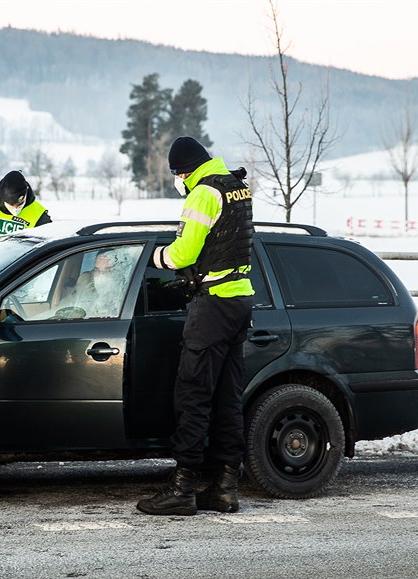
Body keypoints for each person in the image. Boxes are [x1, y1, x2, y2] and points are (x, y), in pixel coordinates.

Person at [136, 136, 254, 516]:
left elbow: (183, 252)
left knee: (192, 395)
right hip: (240, 299)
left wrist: (156, 256)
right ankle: (224, 487)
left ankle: (183, 488)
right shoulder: (236, 186)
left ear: (182, 172)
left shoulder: (203, 193)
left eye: (176, 175)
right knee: (227, 398)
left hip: (214, 304)